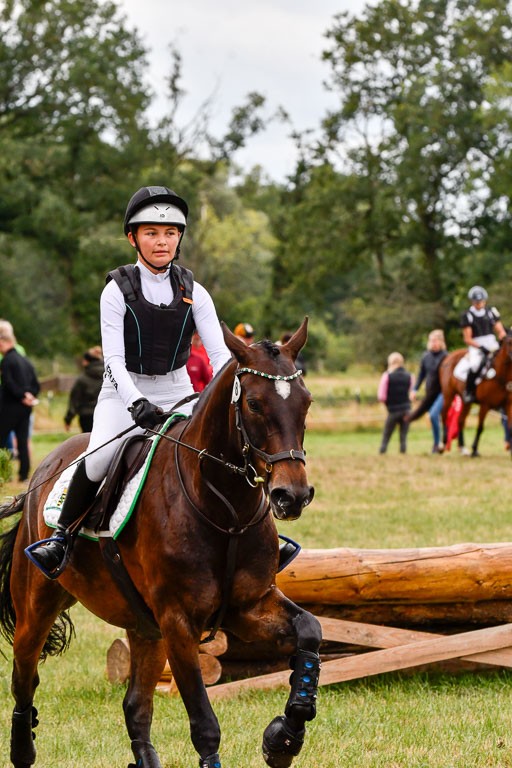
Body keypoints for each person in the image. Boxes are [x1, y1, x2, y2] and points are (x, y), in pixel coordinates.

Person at [30, 185, 232, 576]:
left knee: (226, 448)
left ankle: (258, 537)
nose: (162, 241)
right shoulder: (115, 291)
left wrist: (222, 393)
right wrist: (136, 402)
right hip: (123, 392)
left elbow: (221, 354)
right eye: (152, 233)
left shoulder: (196, 291)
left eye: (170, 233)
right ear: (133, 238)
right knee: (101, 456)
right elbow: (114, 361)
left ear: (179, 238)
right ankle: (62, 537)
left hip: (179, 391)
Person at [0, 321, 40, 482]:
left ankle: (4, 474)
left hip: (11, 407)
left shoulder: (6, 361)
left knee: (1, 440)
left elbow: (8, 383)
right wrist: (30, 396)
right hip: (26, 407)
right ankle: (24, 474)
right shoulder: (26, 360)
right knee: (22, 441)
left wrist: (22, 395)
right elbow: (36, 384)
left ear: (5, 342)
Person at [461, 286, 506, 404]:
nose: (480, 304)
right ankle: (469, 391)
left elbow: (500, 330)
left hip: (491, 342)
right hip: (476, 344)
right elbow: (467, 338)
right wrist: (481, 347)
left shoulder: (491, 312)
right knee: (475, 365)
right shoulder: (467, 315)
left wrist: (503, 338)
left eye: (481, 302)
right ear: (472, 302)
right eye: (477, 302)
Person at [407, 330, 448, 452]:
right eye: (431, 340)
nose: (433, 343)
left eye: (435, 340)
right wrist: (414, 389)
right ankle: (437, 444)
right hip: (430, 393)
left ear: (441, 342)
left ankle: (441, 443)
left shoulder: (446, 356)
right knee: (434, 417)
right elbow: (421, 375)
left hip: (443, 392)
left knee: (434, 415)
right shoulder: (426, 356)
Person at [377, 352, 414, 454]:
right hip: (407, 409)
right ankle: (403, 451)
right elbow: (412, 394)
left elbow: (381, 396)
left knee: (387, 433)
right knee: (403, 434)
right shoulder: (410, 376)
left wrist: (387, 404)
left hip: (393, 409)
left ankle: (382, 451)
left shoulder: (387, 376)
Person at [64, 347, 104, 433]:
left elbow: (74, 401)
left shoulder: (82, 379)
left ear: (86, 362)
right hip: (105, 414)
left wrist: (68, 420)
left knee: (88, 443)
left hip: (87, 417)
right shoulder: (108, 375)